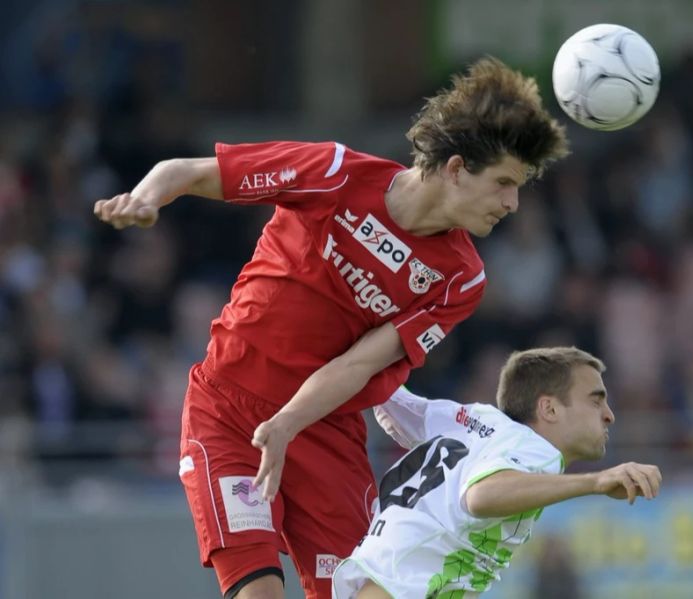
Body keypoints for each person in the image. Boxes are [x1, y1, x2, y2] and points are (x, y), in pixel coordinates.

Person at [93, 57, 569, 599]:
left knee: (358, 594)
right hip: (228, 412)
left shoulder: (460, 278)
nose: (512, 204)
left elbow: (360, 363)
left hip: (323, 432)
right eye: (505, 183)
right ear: (457, 168)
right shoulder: (334, 172)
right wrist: (145, 199)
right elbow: (187, 171)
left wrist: (289, 421)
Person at [332, 346, 662, 598]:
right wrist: (596, 481)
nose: (609, 415)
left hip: (376, 580)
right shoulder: (537, 451)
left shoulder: (477, 420)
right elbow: (480, 495)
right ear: (548, 408)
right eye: (595, 400)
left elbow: (392, 405)